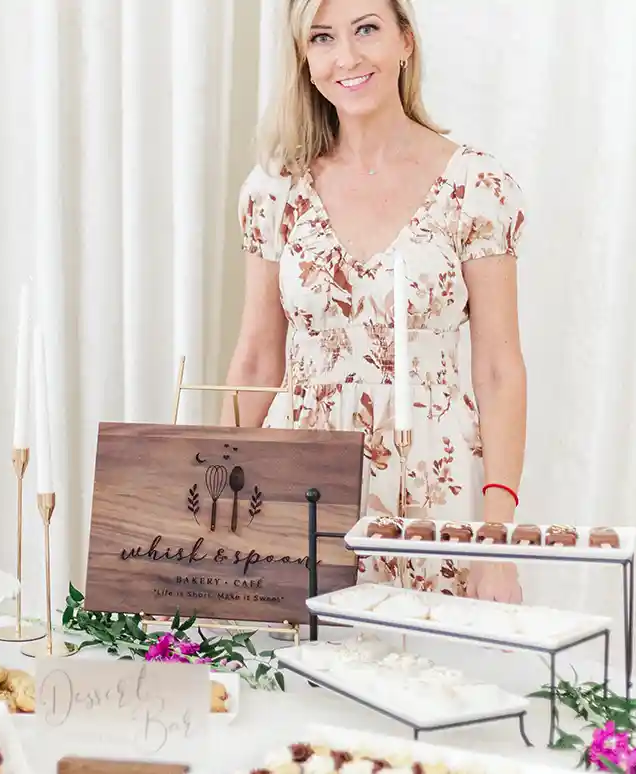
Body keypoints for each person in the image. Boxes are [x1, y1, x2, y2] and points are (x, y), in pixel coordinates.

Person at [222, 0, 526, 603]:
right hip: (297, 486)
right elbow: (257, 357)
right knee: (292, 681)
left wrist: (498, 539)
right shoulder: (273, 190)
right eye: (323, 38)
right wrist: (210, 511)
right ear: (305, 61)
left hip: (432, 490)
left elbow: (498, 369)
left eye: (366, 30)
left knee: (431, 681)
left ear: (405, 42)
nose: (347, 57)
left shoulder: (477, 187)